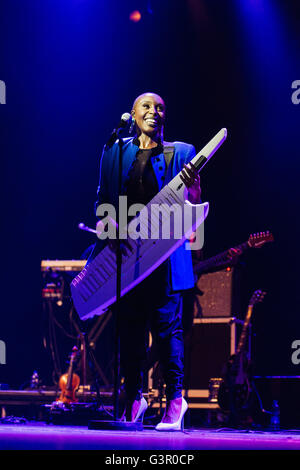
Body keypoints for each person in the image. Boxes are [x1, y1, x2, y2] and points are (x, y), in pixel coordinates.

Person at [91, 92, 201, 431]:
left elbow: (194, 207)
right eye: (147, 107)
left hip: (164, 259)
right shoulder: (115, 151)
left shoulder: (181, 153)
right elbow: (103, 203)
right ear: (133, 115)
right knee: (130, 332)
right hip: (128, 260)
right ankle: (134, 398)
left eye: (160, 108)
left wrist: (193, 191)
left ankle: (175, 401)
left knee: (168, 331)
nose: (154, 112)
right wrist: (108, 227)